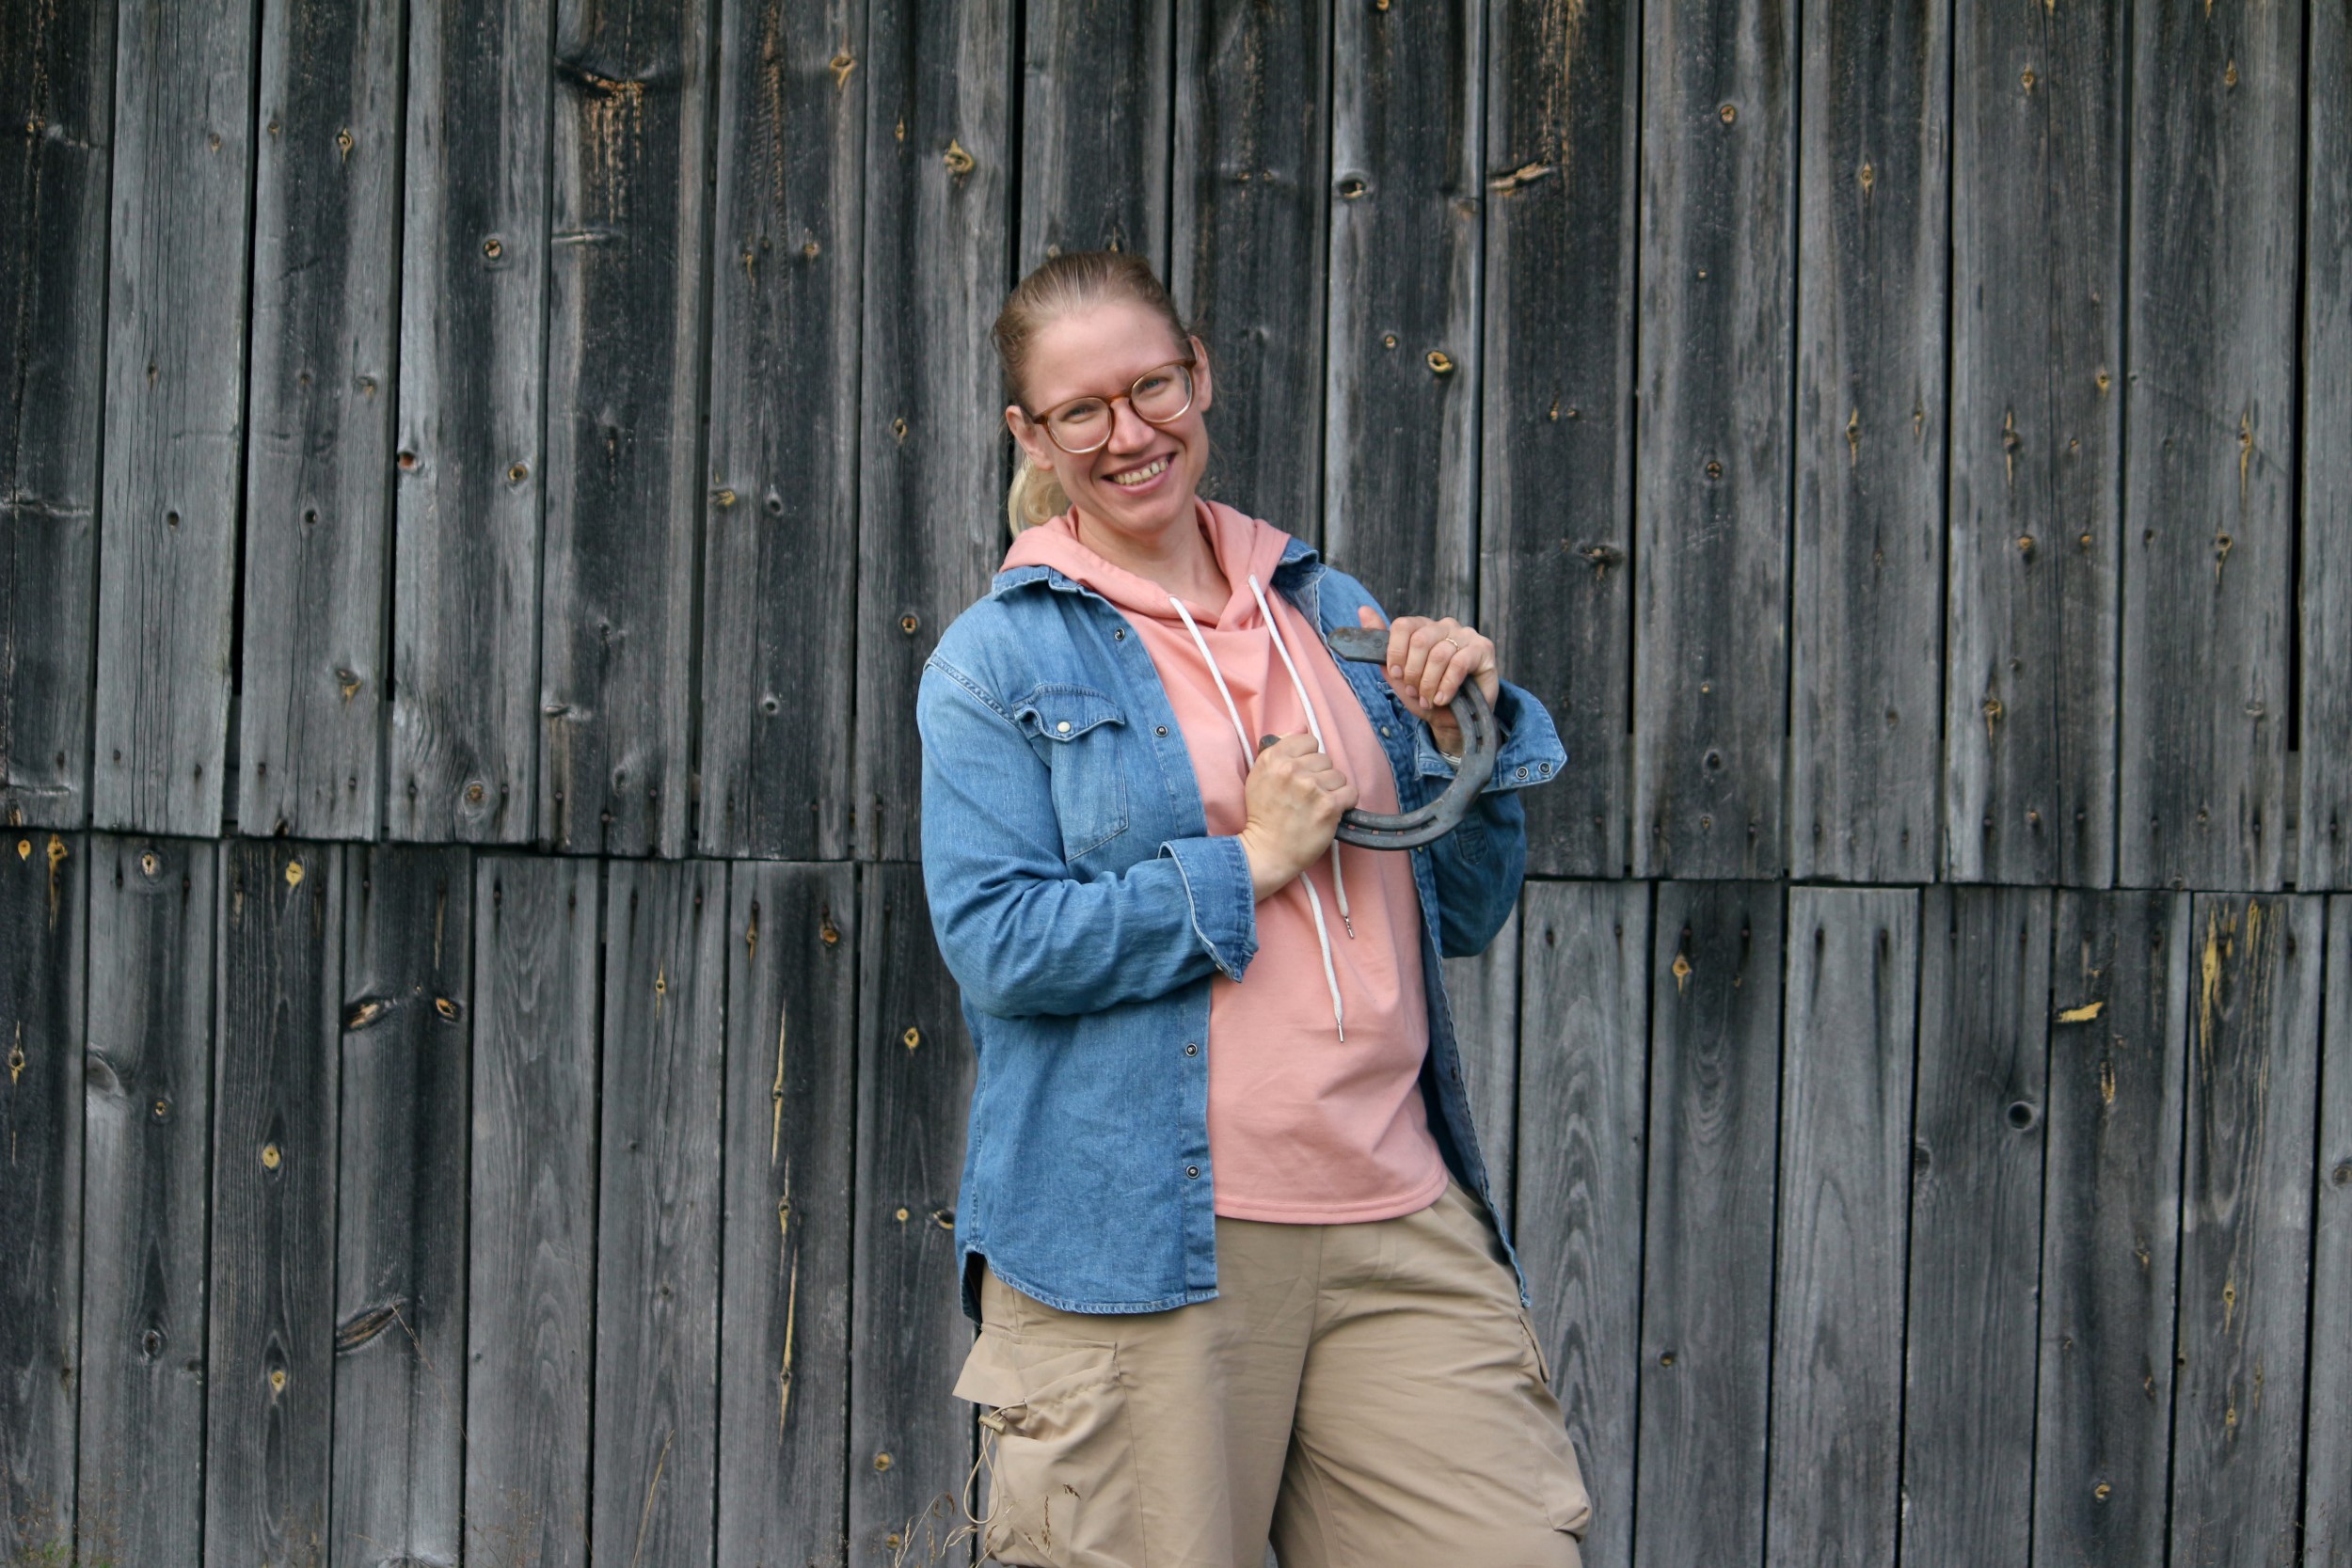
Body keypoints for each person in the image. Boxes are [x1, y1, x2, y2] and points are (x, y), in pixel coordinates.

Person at [916, 250, 1589, 1568]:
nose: (1129, 433)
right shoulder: (999, 660)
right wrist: (1250, 862)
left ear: (1199, 374)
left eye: (1151, 385)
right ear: (1032, 436)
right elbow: (998, 944)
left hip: (1395, 1218)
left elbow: (1460, 912)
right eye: (1081, 411)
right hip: (1141, 1250)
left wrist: (1468, 734)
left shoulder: (1327, 610)